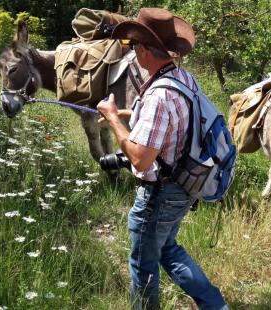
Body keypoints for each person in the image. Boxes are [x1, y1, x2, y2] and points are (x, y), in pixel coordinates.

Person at [97, 8, 228, 309]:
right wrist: (130, 115)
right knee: (167, 248)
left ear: (144, 50)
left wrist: (114, 120)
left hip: (160, 194)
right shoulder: (182, 78)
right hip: (185, 184)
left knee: (143, 264)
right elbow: (174, 121)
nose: (131, 51)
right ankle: (215, 304)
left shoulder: (158, 95)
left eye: (132, 46)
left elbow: (141, 160)